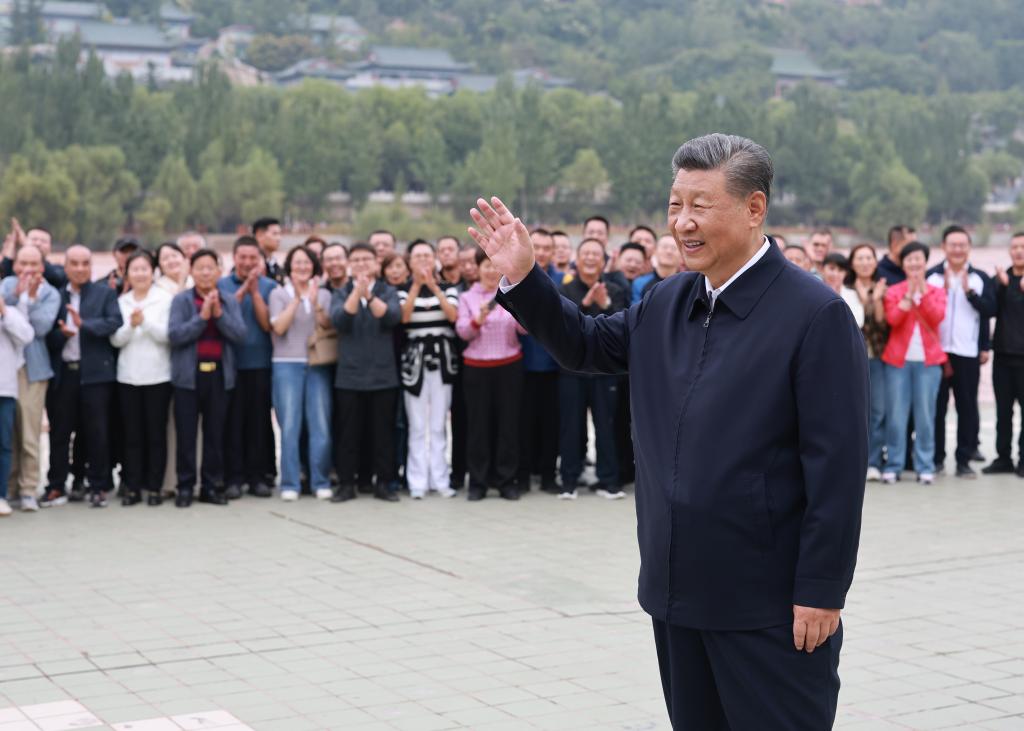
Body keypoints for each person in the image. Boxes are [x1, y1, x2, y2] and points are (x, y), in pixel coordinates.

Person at [472, 133, 867, 730]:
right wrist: (526, 279)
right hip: (675, 591)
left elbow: (837, 468)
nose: (682, 222)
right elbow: (584, 344)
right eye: (674, 205)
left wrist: (822, 589)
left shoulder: (814, 316)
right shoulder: (668, 300)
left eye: (700, 206)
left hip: (768, 606)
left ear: (754, 208)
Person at [45, 245, 123, 508]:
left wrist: (83, 325)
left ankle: (98, 485)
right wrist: (62, 335)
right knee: (60, 432)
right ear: (64, 266)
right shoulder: (55, 296)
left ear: (91, 266)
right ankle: (56, 484)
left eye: (85, 263)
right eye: (74, 263)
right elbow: (46, 335)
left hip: (96, 375)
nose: (80, 269)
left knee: (97, 431)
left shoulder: (104, 294)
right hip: (64, 373)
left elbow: (115, 322)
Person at [168, 249, 246, 508]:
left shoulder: (228, 301)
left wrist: (219, 315)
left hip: (219, 376)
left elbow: (239, 335)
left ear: (219, 271)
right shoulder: (181, 301)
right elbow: (175, 336)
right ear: (191, 271)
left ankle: (212, 486)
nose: (204, 272)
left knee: (215, 434)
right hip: (188, 377)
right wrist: (202, 319)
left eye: (210, 267)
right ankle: (185, 487)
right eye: (199, 267)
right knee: (186, 436)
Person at [330, 243, 402, 503]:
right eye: (356, 260)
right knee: (348, 434)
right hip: (349, 376)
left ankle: (383, 483)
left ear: (375, 263)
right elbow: (339, 320)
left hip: (383, 376)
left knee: (383, 434)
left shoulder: (387, 291)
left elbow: (392, 317)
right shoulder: (341, 292)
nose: (361, 264)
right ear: (350, 265)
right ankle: (347, 484)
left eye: (366, 260)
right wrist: (356, 293)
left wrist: (369, 296)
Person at [557, 238, 628, 500]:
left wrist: (606, 303)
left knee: (606, 425)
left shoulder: (615, 288)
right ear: (577, 258)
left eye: (595, 254)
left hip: (605, 371)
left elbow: (624, 323)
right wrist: (585, 304)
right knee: (571, 426)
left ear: (603, 259)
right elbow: (563, 326)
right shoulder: (565, 289)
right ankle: (569, 480)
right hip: (572, 370)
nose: (589, 258)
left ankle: (609, 480)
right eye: (585, 253)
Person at [925, 226, 996, 479]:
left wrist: (969, 293)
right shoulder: (931, 276)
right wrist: (941, 293)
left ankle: (964, 459)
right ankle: (936, 459)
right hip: (937, 354)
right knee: (937, 407)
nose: (957, 249)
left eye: (962, 245)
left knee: (966, 407)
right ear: (943, 247)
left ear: (969, 248)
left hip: (967, 353)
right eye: (952, 244)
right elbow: (923, 314)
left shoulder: (980, 278)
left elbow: (989, 310)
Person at [456, 248, 526, 501]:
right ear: (476, 268)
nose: (490, 270)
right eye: (485, 265)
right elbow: (462, 331)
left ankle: (507, 480)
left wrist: (521, 310)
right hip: (477, 368)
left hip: (509, 366)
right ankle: (478, 482)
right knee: (478, 427)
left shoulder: (510, 295)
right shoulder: (467, 297)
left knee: (508, 425)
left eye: (494, 265)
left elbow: (524, 329)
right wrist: (478, 319)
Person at [269, 246, 334, 501]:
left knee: (320, 424)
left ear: (314, 266)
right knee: (289, 426)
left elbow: (328, 326)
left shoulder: (324, 294)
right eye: (297, 263)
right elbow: (280, 328)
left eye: (306, 263)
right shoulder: (278, 294)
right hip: (286, 364)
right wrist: (296, 298)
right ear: (289, 266)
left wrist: (315, 303)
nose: (302, 267)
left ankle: (320, 479)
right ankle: (290, 482)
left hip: (318, 363)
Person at [881, 241, 947, 486]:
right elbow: (893, 319)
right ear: (903, 264)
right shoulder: (894, 290)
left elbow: (937, 317)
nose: (914, 264)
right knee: (897, 417)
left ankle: (925, 465)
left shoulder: (936, 291)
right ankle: (894, 465)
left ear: (925, 261)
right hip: (898, 362)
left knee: (926, 416)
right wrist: (908, 296)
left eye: (918, 259)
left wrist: (923, 294)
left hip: (929, 363)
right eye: (909, 260)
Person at [398, 240, 460, 500]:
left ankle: (440, 479)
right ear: (410, 261)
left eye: (427, 255)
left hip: (443, 359)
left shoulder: (448, 288)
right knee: (416, 424)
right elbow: (404, 316)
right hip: (415, 362)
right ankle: (417, 481)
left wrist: (433, 286)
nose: (422, 260)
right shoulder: (402, 290)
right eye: (417, 256)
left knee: (437, 424)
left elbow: (453, 316)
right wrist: (416, 285)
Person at [110, 251, 173, 507]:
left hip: (158, 376)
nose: (139, 274)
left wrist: (144, 322)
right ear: (127, 274)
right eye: (134, 269)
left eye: (144, 269)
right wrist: (131, 326)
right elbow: (115, 339)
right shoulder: (122, 302)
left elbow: (168, 336)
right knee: (132, 436)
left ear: (153, 272)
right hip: (128, 377)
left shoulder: (165, 299)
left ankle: (154, 487)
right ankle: (133, 487)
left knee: (156, 435)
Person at [1, 246, 60, 508]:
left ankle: (28, 488)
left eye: (34, 264)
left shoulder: (50, 294)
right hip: (6, 368)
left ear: (42, 266)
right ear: (15, 265)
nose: (28, 269)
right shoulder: (6, 286)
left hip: (33, 370)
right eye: (23, 263)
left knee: (29, 432)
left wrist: (31, 300)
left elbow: (40, 327)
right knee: (7, 432)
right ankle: (9, 486)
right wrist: (16, 296)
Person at [220, 236, 277, 499]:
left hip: (260, 364)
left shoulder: (270, 287)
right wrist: (243, 290)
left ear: (261, 260)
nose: (247, 262)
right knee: (232, 423)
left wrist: (254, 292)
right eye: (242, 257)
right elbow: (225, 317)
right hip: (230, 364)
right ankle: (233, 477)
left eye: (253, 258)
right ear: (234, 258)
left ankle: (258, 477)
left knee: (258, 422)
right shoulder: (221, 286)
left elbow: (267, 325)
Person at [517, 229, 562, 494]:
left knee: (551, 424)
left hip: (555, 365)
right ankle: (522, 476)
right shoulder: (517, 277)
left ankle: (548, 475)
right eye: (538, 247)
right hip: (522, 365)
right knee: (523, 423)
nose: (542, 252)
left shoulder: (562, 279)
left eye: (547, 248)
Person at [847, 244, 889, 482]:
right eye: (859, 258)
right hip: (851, 359)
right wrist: (863, 301)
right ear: (852, 262)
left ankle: (873, 461)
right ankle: (854, 462)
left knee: (878, 412)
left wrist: (875, 301)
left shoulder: (883, 287)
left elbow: (882, 325)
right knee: (853, 413)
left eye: (868, 258)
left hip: (878, 357)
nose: (864, 262)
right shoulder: (846, 288)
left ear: (875, 261)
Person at [985, 231, 1024, 476]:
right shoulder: (999, 280)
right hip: (1003, 356)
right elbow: (988, 310)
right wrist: (1000, 287)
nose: (1018, 251)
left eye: (1023, 247)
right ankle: (1003, 457)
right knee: (1003, 412)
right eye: (1015, 247)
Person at [0, 290, 34, 517]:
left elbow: (26, 336)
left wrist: (4, 312)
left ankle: (1, 495)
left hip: (4, 389)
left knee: (4, 444)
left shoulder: (10, 314)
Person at [1, 221, 67, 288]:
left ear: (50, 247)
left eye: (43, 241)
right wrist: (13, 242)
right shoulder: (14, 270)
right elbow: (3, 273)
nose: (38, 243)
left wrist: (28, 247)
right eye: (34, 239)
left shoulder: (57, 269)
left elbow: (55, 278)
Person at [634, 235, 685, 304]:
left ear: (682, 254)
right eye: (664, 247)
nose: (669, 251)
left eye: (674, 248)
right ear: (655, 251)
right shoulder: (640, 283)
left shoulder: (687, 283)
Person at [821, 253, 864, 328]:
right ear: (822, 269)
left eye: (840, 270)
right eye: (831, 268)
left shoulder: (852, 295)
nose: (835, 274)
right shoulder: (814, 292)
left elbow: (858, 322)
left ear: (846, 273)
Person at [252, 217, 284, 283]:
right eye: (274, 234)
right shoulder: (250, 264)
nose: (279, 238)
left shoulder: (275, 266)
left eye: (280, 234)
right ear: (259, 235)